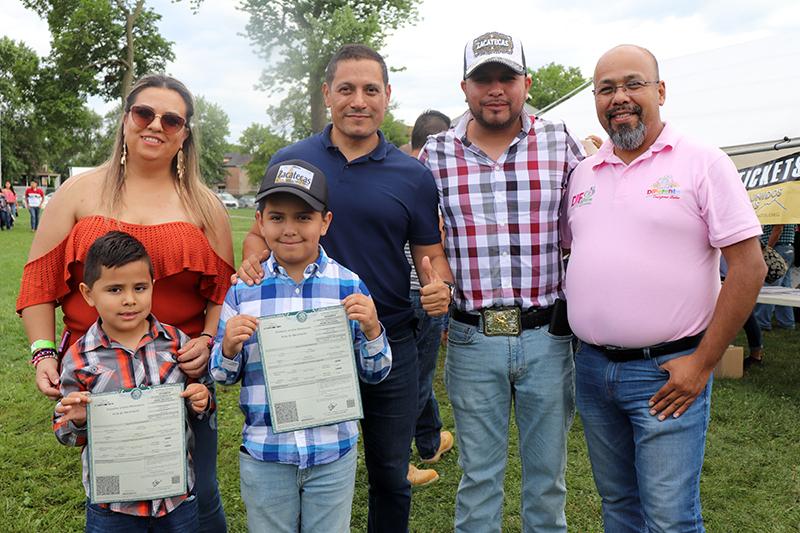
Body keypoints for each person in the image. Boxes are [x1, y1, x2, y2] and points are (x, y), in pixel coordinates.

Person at [237, 44, 454, 532]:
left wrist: (439, 284)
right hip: (304, 340)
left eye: (370, 89)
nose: (359, 100)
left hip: (387, 337)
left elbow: (429, 253)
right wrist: (252, 258)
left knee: (390, 476)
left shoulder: (412, 174)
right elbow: (258, 231)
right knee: (301, 461)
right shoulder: (292, 160)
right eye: (347, 89)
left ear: (387, 96)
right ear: (327, 94)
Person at [562, 44, 766, 532]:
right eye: (606, 88)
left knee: (670, 518)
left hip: (667, 373)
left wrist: (703, 363)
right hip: (592, 369)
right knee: (618, 508)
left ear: (660, 91)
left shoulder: (702, 161)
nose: (620, 98)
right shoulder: (583, 172)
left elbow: (750, 268)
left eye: (633, 84)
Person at [16, 74, 233, 531]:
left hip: (180, 370)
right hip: (100, 371)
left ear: (185, 133)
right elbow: (39, 281)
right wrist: (42, 353)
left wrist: (209, 339)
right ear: (125, 120)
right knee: (114, 489)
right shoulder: (78, 193)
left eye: (171, 118)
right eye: (144, 113)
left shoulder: (205, 204)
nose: (156, 125)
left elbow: (221, 290)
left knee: (200, 489)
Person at [420, 31, 584, 532]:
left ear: (526, 83)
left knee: (548, 479)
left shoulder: (559, 141)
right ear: (464, 87)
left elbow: (597, 218)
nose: (496, 89)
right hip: (472, 339)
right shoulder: (436, 153)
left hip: (548, 339)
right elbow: (424, 237)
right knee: (479, 478)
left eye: (506, 78)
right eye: (483, 78)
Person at [210, 160, 392, 532]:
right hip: (266, 455)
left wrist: (373, 328)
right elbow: (221, 374)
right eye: (277, 217)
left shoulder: (349, 286)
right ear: (260, 221)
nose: (289, 229)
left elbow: (376, 372)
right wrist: (228, 347)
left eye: (303, 217)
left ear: (325, 222)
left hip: (332, 454)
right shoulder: (244, 290)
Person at [54, 231, 211, 531]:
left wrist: (201, 399)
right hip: (113, 507)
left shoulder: (176, 342)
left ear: (153, 286)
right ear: (88, 294)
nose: (129, 300)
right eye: (114, 290)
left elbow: (199, 404)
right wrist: (76, 420)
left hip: (175, 498)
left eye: (139, 287)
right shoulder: (79, 358)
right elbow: (64, 430)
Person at [405, 110, 454, 488]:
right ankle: (401, 458)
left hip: (394, 291)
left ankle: (429, 441)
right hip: (425, 290)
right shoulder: (441, 176)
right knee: (415, 379)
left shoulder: (394, 169)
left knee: (414, 374)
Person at [754, 224, 796, 330]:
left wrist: (767, 249)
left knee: (769, 288)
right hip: (787, 248)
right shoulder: (789, 210)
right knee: (784, 290)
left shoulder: (778, 210)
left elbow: (778, 228)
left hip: (778, 248)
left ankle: (761, 322)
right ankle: (787, 322)